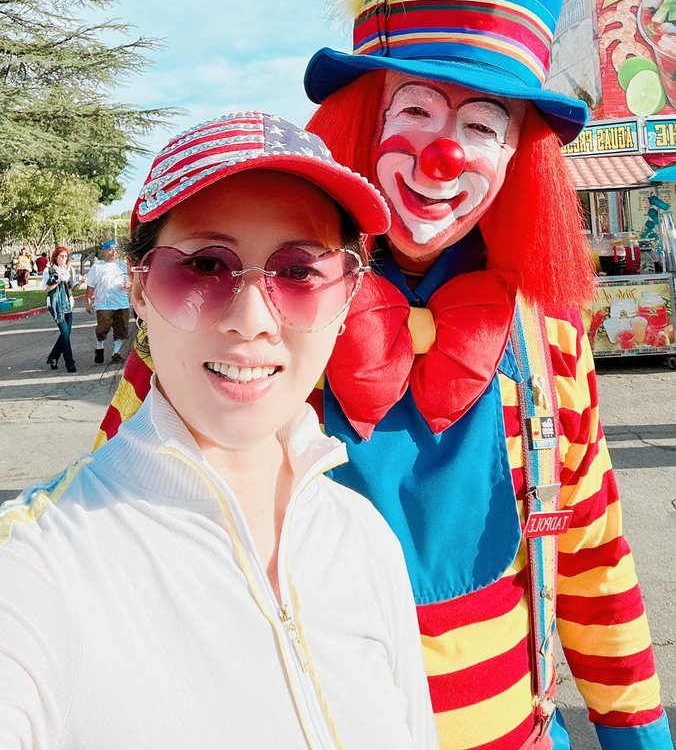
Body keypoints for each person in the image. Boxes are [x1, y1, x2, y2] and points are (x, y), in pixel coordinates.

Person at [97, 0, 673, 750]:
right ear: (363, 120)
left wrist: (638, 737)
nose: (446, 155)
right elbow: (116, 522)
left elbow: (590, 560)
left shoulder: (544, 338)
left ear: (518, 157)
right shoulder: (237, 316)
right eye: (415, 112)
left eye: (483, 125)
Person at [0, 112, 439, 750]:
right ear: (140, 288)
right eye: (205, 267)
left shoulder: (363, 539)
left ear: (346, 301)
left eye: (299, 273)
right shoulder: (38, 567)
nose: (252, 319)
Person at [85, 239, 130, 364]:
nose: (113, 252)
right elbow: (90, 287)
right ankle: (100, 347)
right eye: (110, 250)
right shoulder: (97, 267)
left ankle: (116, 353)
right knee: (103, 327)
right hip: (104, 304)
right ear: (104, 252)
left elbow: (130, 282)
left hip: (121, 302)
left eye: (115, 250)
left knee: (121, 328)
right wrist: (88, 301)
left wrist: (128, 285)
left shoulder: (122, 265)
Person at [42, 246, 83, 372]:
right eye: (61, 256)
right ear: (55, 257)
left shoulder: (70, 270)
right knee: (65, 332)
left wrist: (80, 284)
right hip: (55, 305)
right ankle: (69, 362)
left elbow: (73, 288)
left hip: (67, 304)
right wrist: (56, 281)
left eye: (65, 256)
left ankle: (53, 357)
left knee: (66, 333)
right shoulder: (48, 270)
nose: (63, 259)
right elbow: (46, 289)